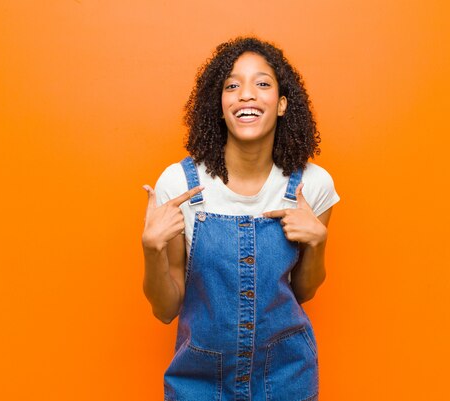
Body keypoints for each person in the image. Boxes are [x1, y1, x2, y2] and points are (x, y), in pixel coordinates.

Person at [141, 36, 340, 401]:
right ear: (219, 106)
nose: (246, 94)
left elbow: (304, 291)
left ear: (281, 104)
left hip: (287, 377)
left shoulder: (312, 185)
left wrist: (318, 241)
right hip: (198, 382)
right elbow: (165, 310)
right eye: (232, 85)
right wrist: (151, 251)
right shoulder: (180, 184)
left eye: (262, 84)